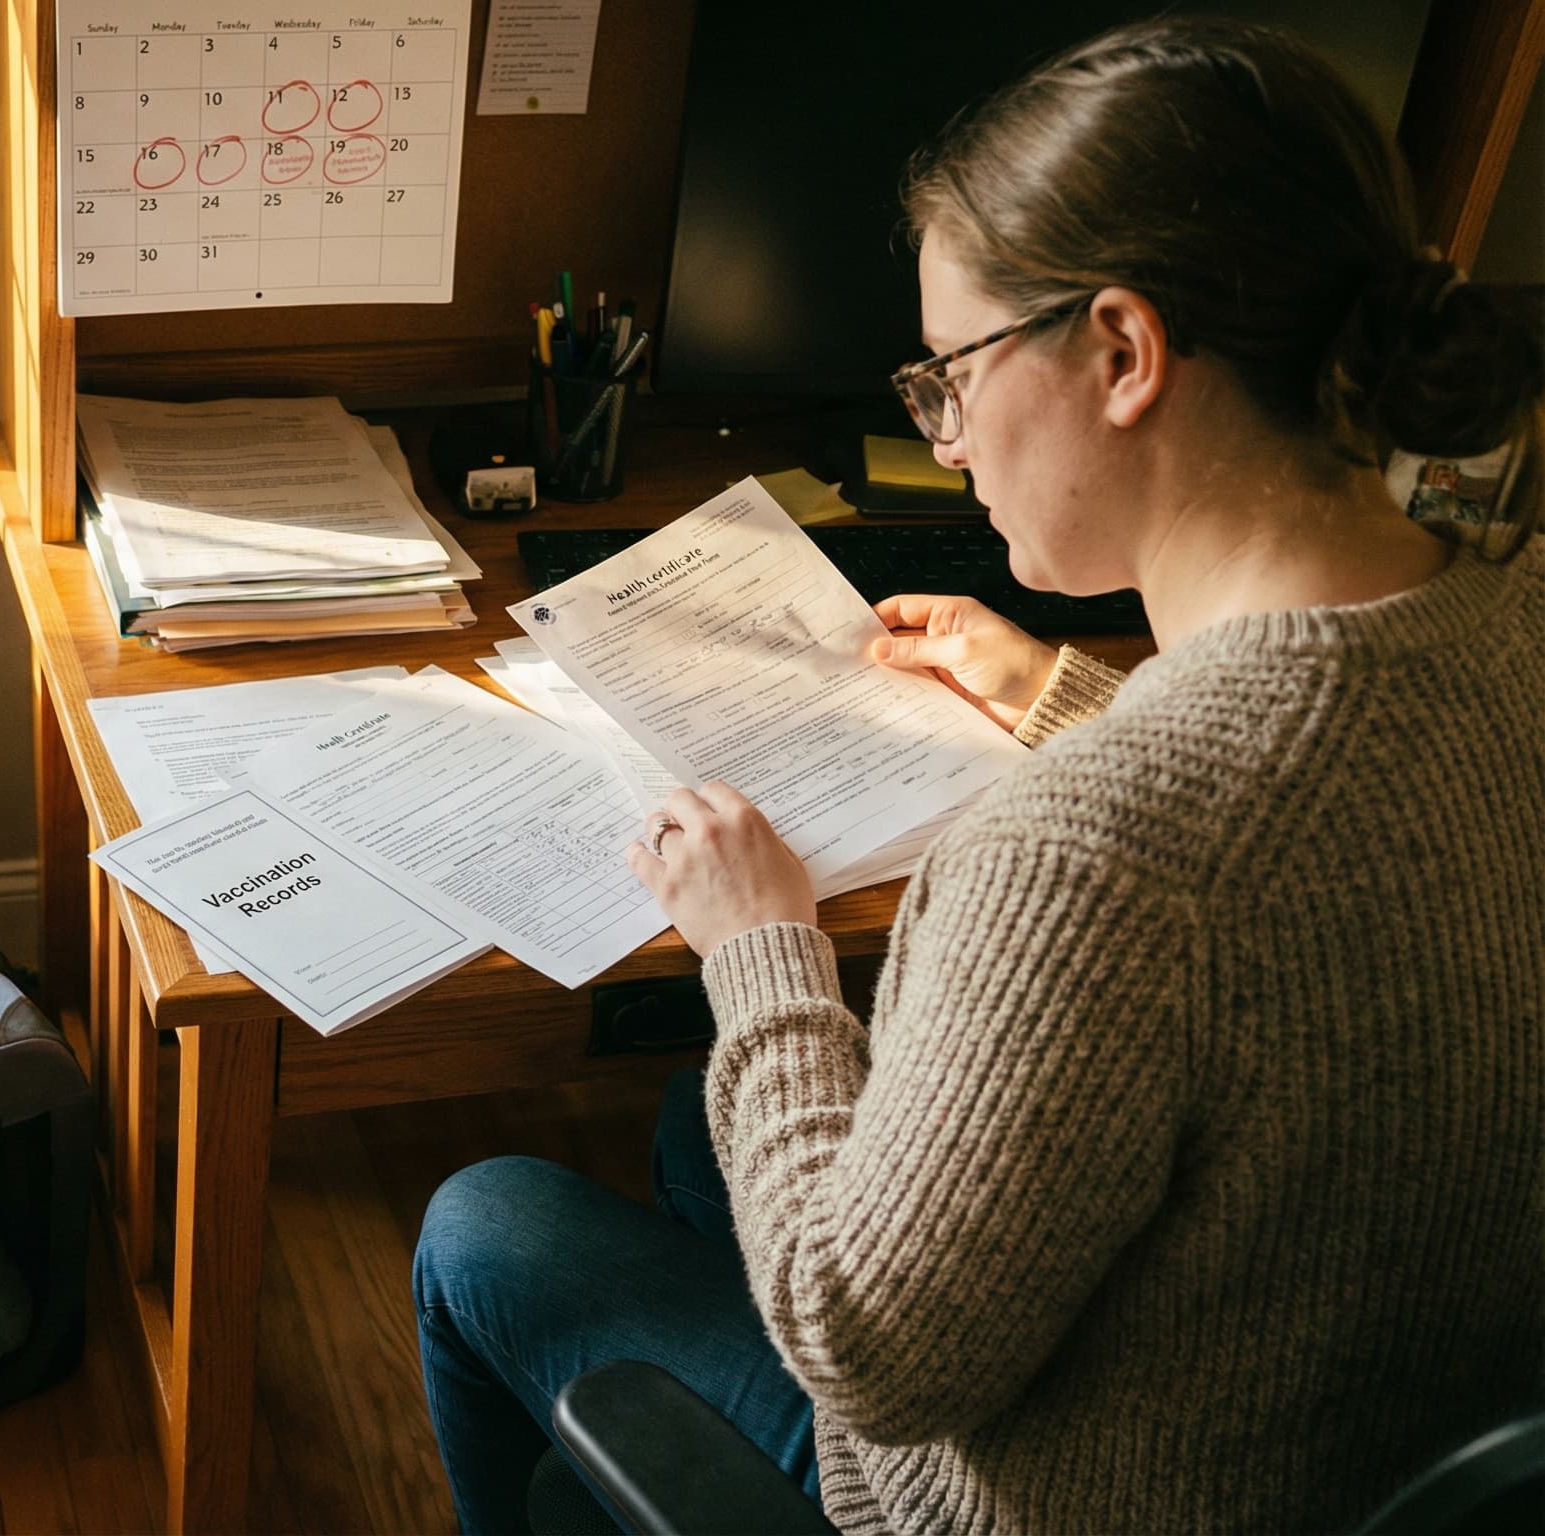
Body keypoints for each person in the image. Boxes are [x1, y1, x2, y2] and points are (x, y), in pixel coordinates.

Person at [414, 16, 1545, 1534]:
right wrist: (1052, 694)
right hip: (1379, 1429)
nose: (942, 442)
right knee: (700, 1129)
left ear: (1124, 352)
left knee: (485, 1222)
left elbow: (867, 1351)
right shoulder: (1513, 615)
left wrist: (761, 950)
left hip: (1041, 1498)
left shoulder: (1090, 853)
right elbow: (1314, 840)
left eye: (949, 374)